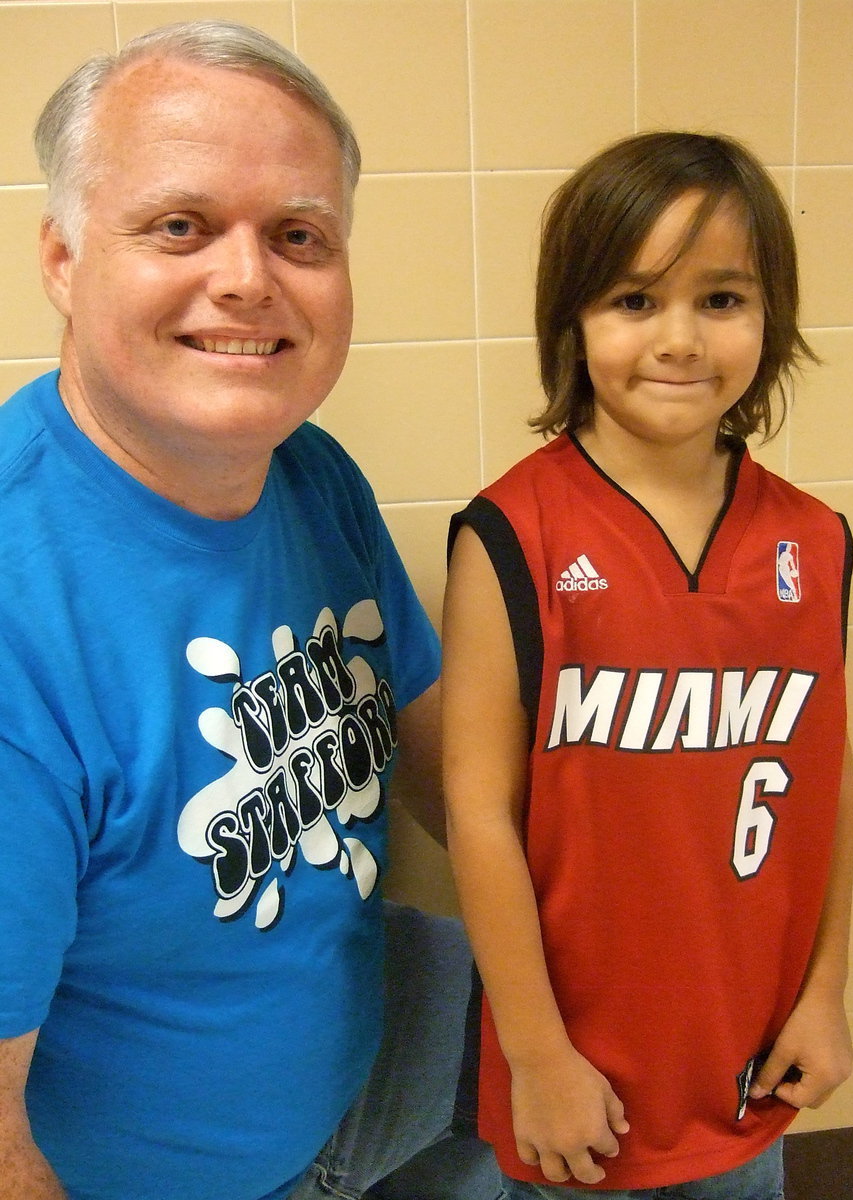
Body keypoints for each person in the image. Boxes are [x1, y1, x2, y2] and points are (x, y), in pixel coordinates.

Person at [0, 20, 501, 1200]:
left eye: (297, 235)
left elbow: (446, 767)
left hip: (381, 1076)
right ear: (64, 259)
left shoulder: (308, 471)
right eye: (181, 225)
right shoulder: (21, 624)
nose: (246, 278)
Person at [442, 131, 853, 1199]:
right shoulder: (510, 532)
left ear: (771, 319)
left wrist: (825, 988)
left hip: (746, 1068)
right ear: (572, 324)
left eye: (720, 299)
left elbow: (824, 779)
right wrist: (536, 1057)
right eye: (634, 300)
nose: (679, 340)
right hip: (578, 1082)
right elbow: (479, 810)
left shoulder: (814, 541)